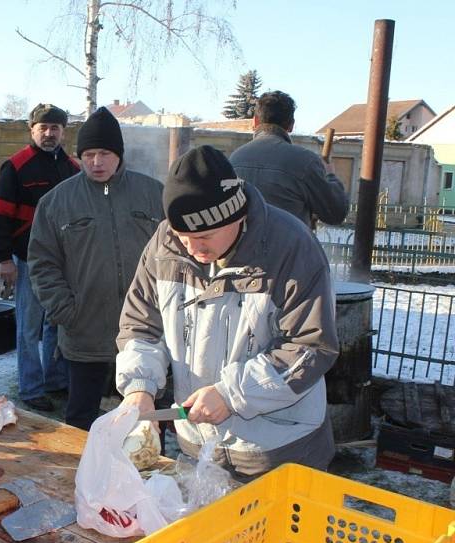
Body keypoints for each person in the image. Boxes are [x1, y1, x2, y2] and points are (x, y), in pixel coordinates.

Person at [116, 145, 339, 480]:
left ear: (235, 215)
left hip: (280, 450)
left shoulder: (290, 246)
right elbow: (141, 324)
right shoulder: (165, 244)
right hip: (198, 446)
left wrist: (231, 394)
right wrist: (140, 386)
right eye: (182, 236)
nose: (192, 248)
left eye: (203, 236)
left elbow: (310, 346)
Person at [28, 107, 164, 430]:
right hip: (84, 335)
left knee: (146, 421)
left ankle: (145, 478)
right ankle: (76, 479)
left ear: (119, 154)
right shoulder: (56, 202)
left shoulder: (153, 194)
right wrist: (65, 310)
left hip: (143, 336)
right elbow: (42, 263)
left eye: (104, 153)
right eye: (88, 154)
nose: (96, 162)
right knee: (79, 421)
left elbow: (173, 254)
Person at [0, 103, 80, 411]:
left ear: (63, 132)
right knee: (28, 327)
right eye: (43, 128)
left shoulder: (73, 168)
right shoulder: (15, 166)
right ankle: (31, 388)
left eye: (55, 128)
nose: (49, 133)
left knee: (56, 323)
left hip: (63, 260)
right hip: (27, 258)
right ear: (32, 130)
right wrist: (4, 260)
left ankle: (55, 380)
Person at [229, 90, 349, 228]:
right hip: (289, 248)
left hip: (244, 248)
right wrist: (330, 175)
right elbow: (335, 213)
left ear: (255, 121)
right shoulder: (305, 162)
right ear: (291, 125)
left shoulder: (235, 159)